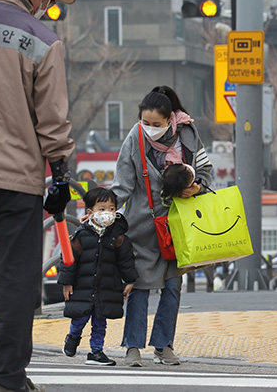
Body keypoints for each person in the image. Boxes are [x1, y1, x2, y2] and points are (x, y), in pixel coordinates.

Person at [0, 0, 76, 390]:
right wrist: (60, 177)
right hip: (15, 180)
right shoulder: (42, 40)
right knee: (15, 277)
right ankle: (5, 377)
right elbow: (52, 121)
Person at [111, 85, 213, 367]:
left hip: (179, 225)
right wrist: (104, 209)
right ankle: (132, 347)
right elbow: (123, 183)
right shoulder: (135, 137)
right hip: (142, 225)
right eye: (145, 122)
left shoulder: (189, 134)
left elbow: (204, 169)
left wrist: (198, 187)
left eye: (156, 124)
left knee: (172, 286)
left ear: (170, 118)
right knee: (140, 285)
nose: (149, 128)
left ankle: (163, 345)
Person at [58, 188, 138, 367]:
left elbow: (126, 261)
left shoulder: (117, 237)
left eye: (111, 209)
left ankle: (96, 352)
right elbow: (69, 260)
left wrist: (130, 280)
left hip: (105, 288)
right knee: (79, 319)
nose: (107, 213)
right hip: (82, 287)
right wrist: (67, 282)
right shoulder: (81, 235)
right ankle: (73, 337)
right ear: (90, 212)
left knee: (100, 322)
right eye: (102, 209)